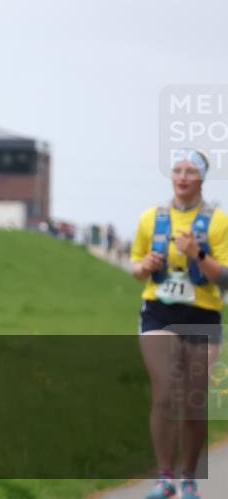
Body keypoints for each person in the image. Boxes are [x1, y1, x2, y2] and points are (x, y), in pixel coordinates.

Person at [130, 149, 227, 499]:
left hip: (202, 314)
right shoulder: (150, 219)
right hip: (159, 311)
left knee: (193, 400)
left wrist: (196, 254)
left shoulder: (218, 222)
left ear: (201, 178)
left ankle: (188, 476)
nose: (183, 176)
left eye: (190, 171)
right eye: (177, 170)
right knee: (167, 388)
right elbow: (136, 266)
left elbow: (226, 279)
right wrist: (146, 265)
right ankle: (164, 477)